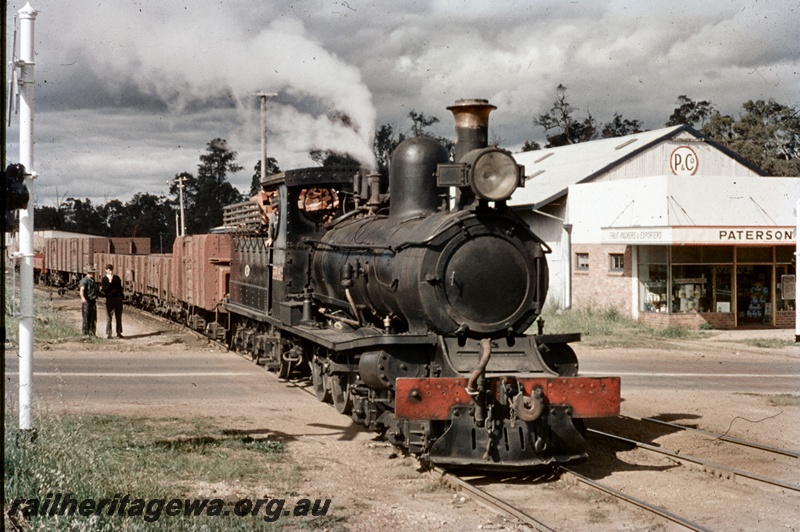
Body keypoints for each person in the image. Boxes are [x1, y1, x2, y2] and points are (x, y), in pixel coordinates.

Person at [101, 264, 124, 339]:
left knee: (118, 316)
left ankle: (119, 332)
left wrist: (120, 296)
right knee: (109, 317)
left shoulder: (117, 278)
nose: (110, 271)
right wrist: (110, 282)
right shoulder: (104, 279)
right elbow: (105, 290)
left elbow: (120, 288)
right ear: (106, 270)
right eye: (108, 269)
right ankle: (109, 333)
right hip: (109, 299)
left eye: (111, 269)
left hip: (117, 299)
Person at [79, 267, 98, 336]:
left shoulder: (93, 280)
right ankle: (85, 334)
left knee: (93, 318)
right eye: (91, 273)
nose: (93, 274)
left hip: (93, 301)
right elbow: (81, 291)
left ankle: (92, 333)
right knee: (86, 318)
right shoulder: (85, 281)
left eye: (93, 273)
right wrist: (83, 299)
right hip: (87, 301)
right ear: (88, 273)